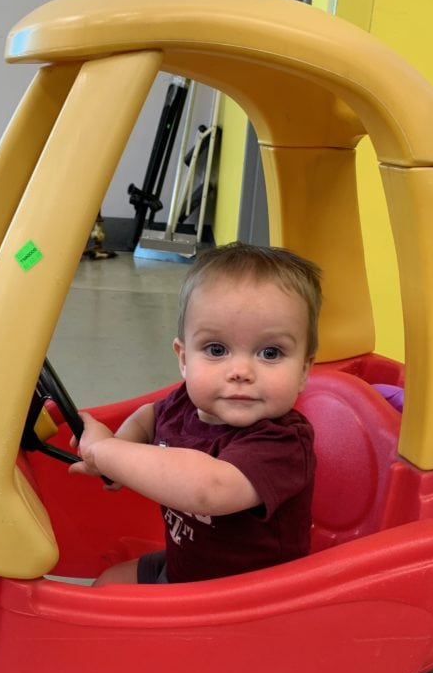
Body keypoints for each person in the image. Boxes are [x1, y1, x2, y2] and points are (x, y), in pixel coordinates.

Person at [70, 242, 322, 585]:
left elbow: (208, 489)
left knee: (119, 618)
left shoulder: (282, 443)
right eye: (217, 349)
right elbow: (149, 416)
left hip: (246, 601)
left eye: (271, 352)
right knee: (108, 584)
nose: (241, 371)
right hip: (187, 567)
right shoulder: (183, 406)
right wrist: (123, 443)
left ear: (305, 370)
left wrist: (105, 451)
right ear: (184, 358)